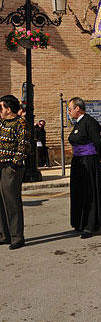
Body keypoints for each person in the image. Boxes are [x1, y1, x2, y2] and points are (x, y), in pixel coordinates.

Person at [68, 97, 101, 238]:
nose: (69, 112)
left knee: (89, 192)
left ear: (77, 109)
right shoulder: (77, 123)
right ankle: (80, 222)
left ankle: (90, 225)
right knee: (78, 192)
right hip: (78, 162)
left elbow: (97, 141)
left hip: (88, 162)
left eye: (70, 109)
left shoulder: (89, 122)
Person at [0, 95, 31, 249]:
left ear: (8, 109)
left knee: (12, 201)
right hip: (0, 166)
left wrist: (14, 163)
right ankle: (3, 234)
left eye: (1, 107)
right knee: (0, 201)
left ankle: (17, 236)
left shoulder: (20, 123)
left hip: (10, 168)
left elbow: (24, 145)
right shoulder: (1, 123)